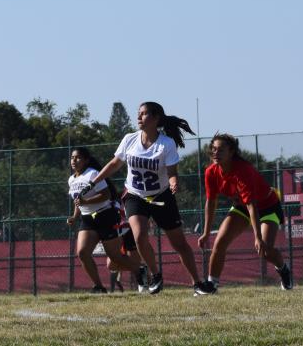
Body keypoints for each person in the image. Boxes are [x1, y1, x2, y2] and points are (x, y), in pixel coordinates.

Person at [88, 102, 203, 294]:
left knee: (179, 243)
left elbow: (172, 172)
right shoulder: (129, 139)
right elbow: (115, 163)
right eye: (138, 113)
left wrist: (174, 182)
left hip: (161, 196)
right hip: (135, 196)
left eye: (143, 114)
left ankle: (197, 283)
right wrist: (95, 180)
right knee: (139, 235)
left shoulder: (166, 143)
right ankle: (155, 274)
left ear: (156, 118)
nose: (139, 117)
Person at [196, 133, 293, 293]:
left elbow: (252, 205)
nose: (215, 153)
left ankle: (283, 269)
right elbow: (211, 202)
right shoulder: (211, 172)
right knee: (219, 243)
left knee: (266, 250)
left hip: (267, 206)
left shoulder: (243, 170)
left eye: (220, 150)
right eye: (213, 149)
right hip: (242, 208)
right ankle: (211, 285)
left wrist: (258, 237)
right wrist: (206, 232)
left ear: (231, 152)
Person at [66, 147, 139, 293]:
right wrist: (75, 216)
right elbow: (78, 201)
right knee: (82, 253)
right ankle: (99, 286)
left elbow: (105, 195)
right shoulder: (71, 179)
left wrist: (86, 202)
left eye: (78, 157)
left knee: (115, 257)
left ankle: (141, 271)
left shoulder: (92, 174)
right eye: (72, 157)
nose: (74, 160)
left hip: (105, 216)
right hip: (88, 219)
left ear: (86, 160)